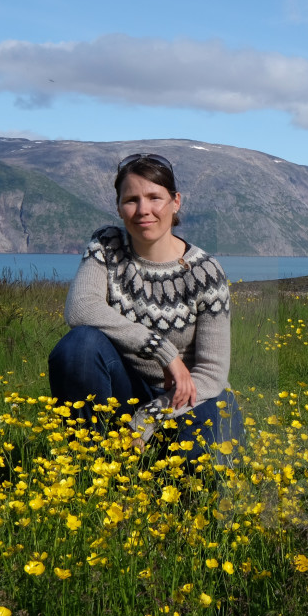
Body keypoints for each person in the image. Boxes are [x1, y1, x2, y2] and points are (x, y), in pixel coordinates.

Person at [48, 153, 242, 470]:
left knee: (199, 483)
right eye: (131, 200)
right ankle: (90, 469)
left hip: (189, 397)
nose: (143, 211)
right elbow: (81, 308)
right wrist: (164, 352)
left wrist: (146, 419)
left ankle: (141, 452)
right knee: (78, 346)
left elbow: (211, 375)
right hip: (125, 387)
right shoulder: (107, 244)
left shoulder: (206, 273)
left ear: (175, 202)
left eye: (155, 197)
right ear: (118, 206)